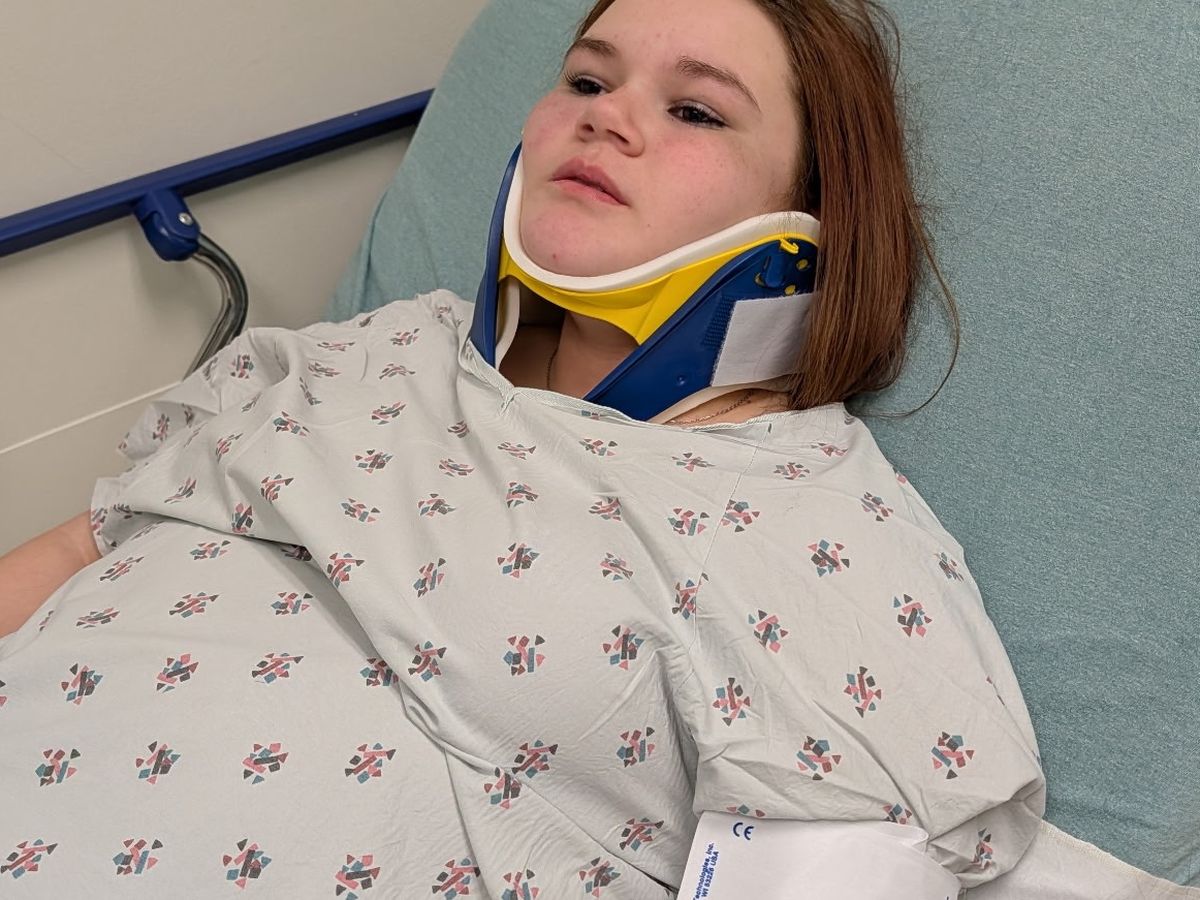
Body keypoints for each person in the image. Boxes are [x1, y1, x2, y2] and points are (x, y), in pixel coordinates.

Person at [0, 0, 1045, 895]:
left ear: (814, 216)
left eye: (694, 109)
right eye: (587, 79)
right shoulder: (376, 348)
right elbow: (89, 545)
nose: (606, 117)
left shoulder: (819, 540)